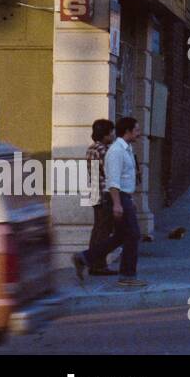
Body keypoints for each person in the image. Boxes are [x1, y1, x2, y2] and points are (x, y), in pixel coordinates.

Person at [73, 116, 144, 287]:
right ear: (127, 131)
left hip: (117, 195)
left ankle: (85, 257)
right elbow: (113, 179)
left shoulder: (125, 149)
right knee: (132, 234)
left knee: (119, 235)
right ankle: (127, 275)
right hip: (116, 196)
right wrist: (118, 203)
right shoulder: (115, 151)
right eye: (136, 130)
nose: (139, 133)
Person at [84, 118, 117, 276]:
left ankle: (92, 261)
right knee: (104, 230)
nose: (113, 135)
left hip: (94, 191)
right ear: (105, 134)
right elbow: (109, 171)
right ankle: (99, 264)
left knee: (97, 229)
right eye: (111, 132)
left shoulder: (91, 148)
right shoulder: (103, 150)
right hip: (104, 192)